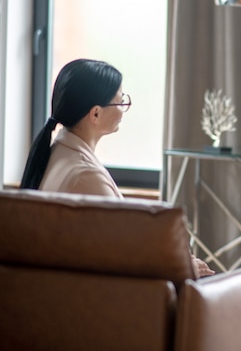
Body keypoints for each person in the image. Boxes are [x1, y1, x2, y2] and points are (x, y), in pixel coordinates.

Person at [20, 58, 214, 277]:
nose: (124, 109)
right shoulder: (86, 176)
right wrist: (182, 266)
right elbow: (124, 255)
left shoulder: (57, 152)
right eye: (121, 101)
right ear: (95, 114)